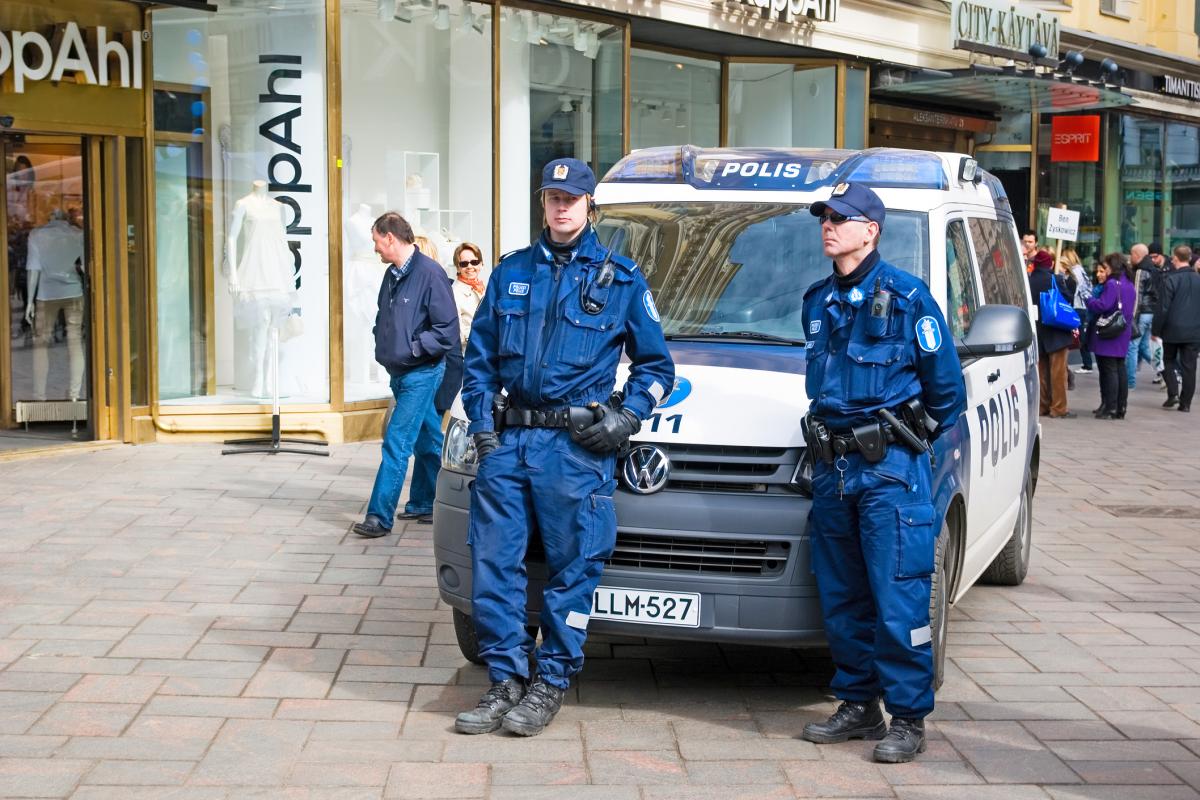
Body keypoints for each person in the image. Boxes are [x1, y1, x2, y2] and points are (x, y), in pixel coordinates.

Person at [455, 158, 674, 737]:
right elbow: (476, 364)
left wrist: (626, 418)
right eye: (552, 197)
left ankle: (550, 680)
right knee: (493, 567)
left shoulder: (621, 279)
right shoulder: (510, 273)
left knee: (572, 571)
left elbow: (657, 368)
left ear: (589, 206)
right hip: (508, 445)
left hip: (575, 452)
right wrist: (483, 429)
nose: (560, 206)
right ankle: (505, 680)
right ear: (543, 204)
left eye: (570, 198)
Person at [797, 183, 966, 764]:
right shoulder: (818, 301)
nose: (829, 226)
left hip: (888, 475)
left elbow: (947, 396)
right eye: (825, 217)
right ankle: (858, 704)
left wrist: (899, 449)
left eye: (842, 218)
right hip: (831, 471)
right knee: (843, 598)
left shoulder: (909, 297)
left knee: (898, 599)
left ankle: (909, 716)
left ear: (871, 229)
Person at [352, 212, 458, 537]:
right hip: (399, 372)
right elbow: (384, 317)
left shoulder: (431, 274)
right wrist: (383, 346)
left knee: (397, 441)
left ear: (390, 238)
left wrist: (412, 349)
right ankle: (431, 502)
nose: (374, 249)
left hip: (421, 373)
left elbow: (447, 331)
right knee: (427, 439)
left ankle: (378, 516)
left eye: (375, 241)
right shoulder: (392, 274)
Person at [434, 242, 487, 416]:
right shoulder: (454, 292)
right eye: (464, 263)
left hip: (487, 354)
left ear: (481, 263)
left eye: (474, 261)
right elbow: (456, 330)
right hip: (469, 357)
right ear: (457, 267)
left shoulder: (484, 288)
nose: (470, 267)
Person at [1086, 253, 1136, 419]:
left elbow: (1103, 305)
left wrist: (1089, 300)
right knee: (1119, 368)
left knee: (1109, 370)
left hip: (1109, 331)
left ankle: (1110, 407)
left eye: (1105, 268)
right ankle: (1120, 407)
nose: (1103, 271)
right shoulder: (1129, 284)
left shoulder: (1112, 284)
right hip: (1122, 330)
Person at [1028, 250, 1076, 418]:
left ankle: (1042, 406)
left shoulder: (1028, 280)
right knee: (1058, 373)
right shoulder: (1055, 279)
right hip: (1057, 330)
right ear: (1050, 264)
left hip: (1038, 331)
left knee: (1041, 373)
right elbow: (1069, 298)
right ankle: (1058, 408)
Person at [1154, 244, 1200, 413]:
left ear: (1175, 258)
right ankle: (1186, 403)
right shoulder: (1198, 279)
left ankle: (1173, 393)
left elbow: (1163, 308)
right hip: (1194, 330)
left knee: (1168, 360)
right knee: (1190, 367)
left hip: (1173, 328)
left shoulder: (1171, 279)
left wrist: (1156, 330)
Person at [1063, 249, 1094, 375]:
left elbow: (1076, 290)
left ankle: (1087, 364)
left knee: (1080, 337)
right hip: (1082, 306)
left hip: (1077, 306)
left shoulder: (1075, 272)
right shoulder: (1080, 269)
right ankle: (1087, 364)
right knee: (1080, 336)